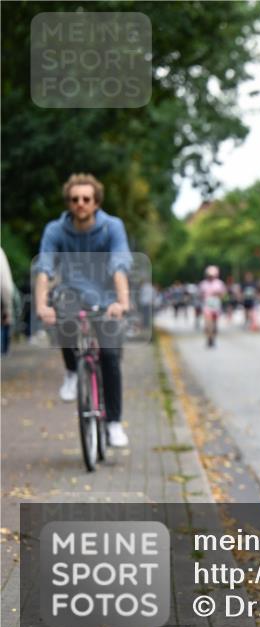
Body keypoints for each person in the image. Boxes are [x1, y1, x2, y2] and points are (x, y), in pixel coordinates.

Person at [34, 173, 134, 447]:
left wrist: (122, 303)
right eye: (75, 199)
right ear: (69, 202)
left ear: (96, 202)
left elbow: (119, 263)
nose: (81, 204)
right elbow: (44, 267)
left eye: (86, 199)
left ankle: (113, 423)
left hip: (108, 296)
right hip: (73, 293)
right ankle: (71, 371)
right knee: (62, 313)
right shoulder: (55, 230)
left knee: (110, 357)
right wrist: (42, 305)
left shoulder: (112, 227)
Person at [199, 266, 226, 348]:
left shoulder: (219, 283)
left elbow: (223, 294)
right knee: (208, 323)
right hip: (207, 306)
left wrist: (217, 294)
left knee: (214, 324)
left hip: (216, 305)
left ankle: (213, 338)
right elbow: (200, 295)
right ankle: (209, 338)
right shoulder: (203, 284)